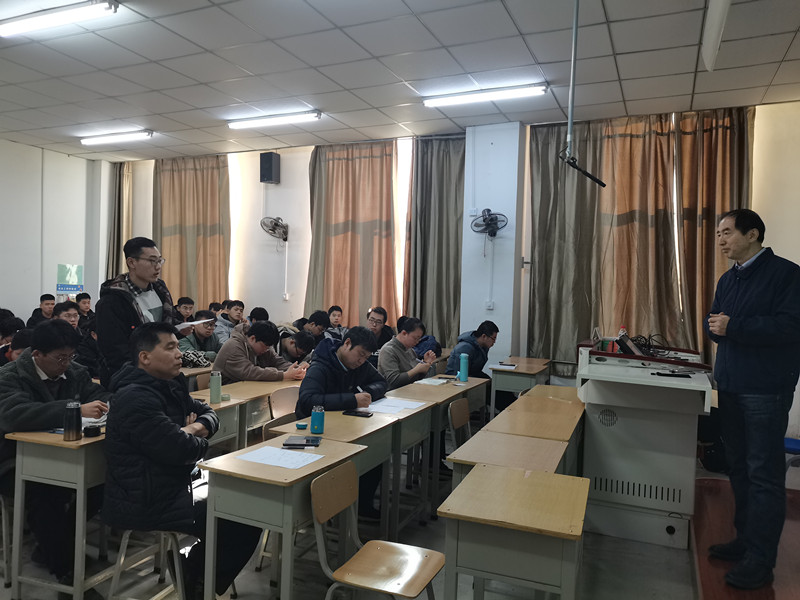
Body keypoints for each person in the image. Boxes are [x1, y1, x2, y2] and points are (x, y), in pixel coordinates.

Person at [103, 322, 261, 599]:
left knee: (252, 505)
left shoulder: (170, 384)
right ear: (145, 357)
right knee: (244, 513)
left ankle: (194, 573)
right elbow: (181, 449)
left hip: (176, 484)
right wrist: (193, 437)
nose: (180, 354)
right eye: (170, 348)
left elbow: (208, 413)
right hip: (147, 498)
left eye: (178, 346)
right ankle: (197, 579)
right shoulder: (133, 398)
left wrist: (192, 428)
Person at [704, 209, 800, 590]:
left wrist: (734, 327)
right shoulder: (728, 279)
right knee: (739, 469)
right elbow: (716, 324)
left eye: (727, 232)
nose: (721, 240)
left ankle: (761, 560)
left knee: (764, 474)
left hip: (765, 390)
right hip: (730, 385)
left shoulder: (786, 275)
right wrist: (717, 328)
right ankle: (745, 541)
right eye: (718, 234)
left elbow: (791, 326)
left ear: (753, 234)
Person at [0, 320, 109, 595]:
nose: (66, 363)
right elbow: (14, 415)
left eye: (71, 356)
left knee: (105, 480)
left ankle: (54, 544)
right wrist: (75, 409)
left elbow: (99, 395)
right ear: (37, 354)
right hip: (13, 460)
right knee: (46, 491)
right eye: (61, 358)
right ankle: (67, 574)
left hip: (66, 455)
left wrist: (108, 405)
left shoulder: (74, 372)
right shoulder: (9, 376)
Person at [296, 326, 388, 519]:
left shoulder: (359, 365)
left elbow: (381, 382)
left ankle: (362, 506)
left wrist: (367, 393)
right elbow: (308, 400)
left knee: (376, 451)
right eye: (360, 355)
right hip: (314, 433)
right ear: (347, 343)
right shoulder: (320, 366)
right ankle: (334, 509)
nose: (361, 361)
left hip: (344, 426)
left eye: (366, 358)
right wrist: (352, 399)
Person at [95, 237, 174, 385]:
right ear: (131, 262)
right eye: (152, 261)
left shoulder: (161, 291)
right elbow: (114, 350)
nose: (158, 267)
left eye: (159, 261)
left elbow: (162, 327)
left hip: (161, 370)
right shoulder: (111, 301)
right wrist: (141, 373)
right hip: (128, 378)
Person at [213, 321, 306, 384]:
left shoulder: (263, 345)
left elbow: (277, 361)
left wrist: (298, 370)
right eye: (264, 346)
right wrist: (283, 375)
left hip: (246, 389)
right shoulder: (233, 346)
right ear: (253, 338)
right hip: (223, 392)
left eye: (269, 347)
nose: (266, 350)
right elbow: (249, 372)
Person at [378, 317, 436, 390]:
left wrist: (425, 363)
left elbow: (415, 378)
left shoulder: (410, 350)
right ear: (404, 333)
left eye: (419, 339)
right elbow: (394, 381)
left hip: (410, 390)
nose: (417, 342)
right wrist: (416, 370)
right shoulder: (388, 350)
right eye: (415, 338)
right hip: (393, 394)